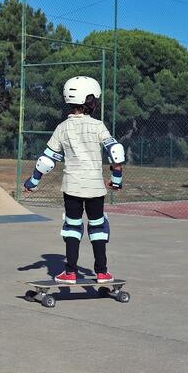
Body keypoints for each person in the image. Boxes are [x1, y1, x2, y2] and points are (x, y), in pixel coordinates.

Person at [22, 76, 125, 283]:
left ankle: (70, 272)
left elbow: (46, 160)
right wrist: (116, 179)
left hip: (72, 187)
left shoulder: (62, 128)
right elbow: (115, 152)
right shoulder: (98, 126)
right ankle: (102, 272)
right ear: (90, 100)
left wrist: (33, 182)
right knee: (97, 226)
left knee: (72, 226)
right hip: (95, 187)